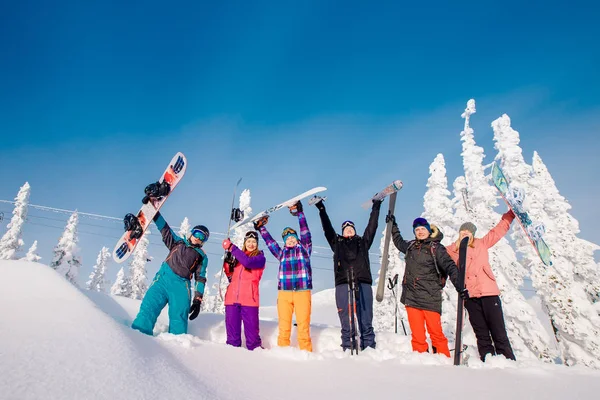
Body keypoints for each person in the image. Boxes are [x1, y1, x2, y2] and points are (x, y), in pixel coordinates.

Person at [130, 181, 209, 336]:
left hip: (181, 286)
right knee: (148, 307)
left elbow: (201, 278)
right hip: (163, 278)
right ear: (191, 234)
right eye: (197, 234)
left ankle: (177, 349)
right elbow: (164, 229)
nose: (198, 238)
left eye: (202, 238)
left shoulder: (202, 256)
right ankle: (138, 338)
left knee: (178, 318)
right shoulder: (177, 242)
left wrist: (197, 300)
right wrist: (153, 210)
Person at [388, 215, 467, 357]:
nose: (420, 232)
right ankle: (422, 365)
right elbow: (399, 242)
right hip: (411, 298)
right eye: (417, 229)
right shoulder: (411, 246)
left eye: (423, 229)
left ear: (429, 230)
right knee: (417, 337)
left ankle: (443, 362)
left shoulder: (436, 248)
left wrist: (459, 285)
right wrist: (393, 226)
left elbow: (450, 267)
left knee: (436, 334)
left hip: (430, 298)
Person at [445, 210, 517, 362]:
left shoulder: (482, 243)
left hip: (488, 293)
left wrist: (509, 216)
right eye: (463, 232)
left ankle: (508, 360)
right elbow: (438, 253)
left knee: (498, 330)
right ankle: (487, 359)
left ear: (473, 234)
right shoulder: (452, 250)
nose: (465, 234)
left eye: (468, 232)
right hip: (470, 296)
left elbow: (497, 232)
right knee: (481, 332)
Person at [314, 197, 382, 351]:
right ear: (342, 232)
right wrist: (321, 208)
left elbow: (372, 227)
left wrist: (376, 207)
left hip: (362, 282)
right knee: (347, 320)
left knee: (366, 319)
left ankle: (369, 348)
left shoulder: (363, 242)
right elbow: (327, 228)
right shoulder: (337, 243)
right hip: (343, 283)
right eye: (345, 228)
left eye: (351, 227)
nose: (349, 229)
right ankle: (348, 348)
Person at [254, 200, 313, 352]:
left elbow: (305, 232)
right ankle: (282, 353)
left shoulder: (304, 249)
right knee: (284, 326)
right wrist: (261, 229)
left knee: (303, 326)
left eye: (292, 237)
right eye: (287, 239)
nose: (290, 240)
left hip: (302, 292)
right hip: (284, 294)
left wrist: (300, 213)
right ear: (285, 242)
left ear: (296, 238)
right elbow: (270, 242)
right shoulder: (281, 253)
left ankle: (306, 353)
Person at [221, 231, 267, 350]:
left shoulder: (259, 258)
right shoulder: (238, 258)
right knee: (232, 340)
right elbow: (230, 276)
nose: (251, 244)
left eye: (254, 242)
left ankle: (256, 361)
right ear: (245, 242)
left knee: (252, 340)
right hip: (232, 300)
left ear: (257, 244)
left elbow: (248, 262)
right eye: (248, 241)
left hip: (249, 301)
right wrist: (227, 262)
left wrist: (232, 247)